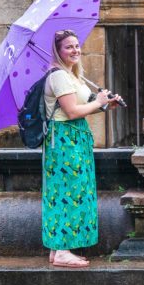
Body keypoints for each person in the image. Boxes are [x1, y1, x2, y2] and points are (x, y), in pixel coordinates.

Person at [43, 29, 123, 268]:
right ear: (58, 50)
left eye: (77, 46)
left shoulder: (72, 75)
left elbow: (86, 105)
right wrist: (97, 102)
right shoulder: (57, 76)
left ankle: (59, 249)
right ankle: (61, 250)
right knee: (64, 191)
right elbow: (72, 111)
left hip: (76, 138)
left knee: (74, 190)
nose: (75, 50)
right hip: (64, 140)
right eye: (69, 46)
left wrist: (106, 104)